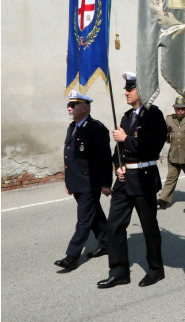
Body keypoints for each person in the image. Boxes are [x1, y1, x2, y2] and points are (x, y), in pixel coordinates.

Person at [98, 72, 167, 289]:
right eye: (126, 89)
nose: (126, 92)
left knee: (149, 227)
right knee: (114, 226)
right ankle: (119, 271)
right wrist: (118, 167)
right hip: (124, 180)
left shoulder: (154, 115)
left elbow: (153, 146)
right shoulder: (127, 117)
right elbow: (117, 150)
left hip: (143, 179)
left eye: (131, 89)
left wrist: (126, 139)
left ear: (141, 90)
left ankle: (156, 269)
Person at [55, 91, 112, 271]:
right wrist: (68, 182)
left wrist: (105, 183)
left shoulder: (96, 128)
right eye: (69, 105)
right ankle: (107, 242)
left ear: (85, 108)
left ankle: (71, 257)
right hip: (77, 182)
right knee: (94, 215)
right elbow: (70, 158)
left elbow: (104, 158)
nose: (69, 108)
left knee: (83, 219)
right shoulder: (72, 127)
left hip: (90, 183)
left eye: (73, 105)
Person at [157, 96, 185, 210]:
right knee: (171, 177)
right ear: (174, 109)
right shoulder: (169, 119)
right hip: (173, 155)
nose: (180, 110)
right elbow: (166, 137)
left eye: (183, 108)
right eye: (178, 108)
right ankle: (163, 199)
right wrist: (166, 137)